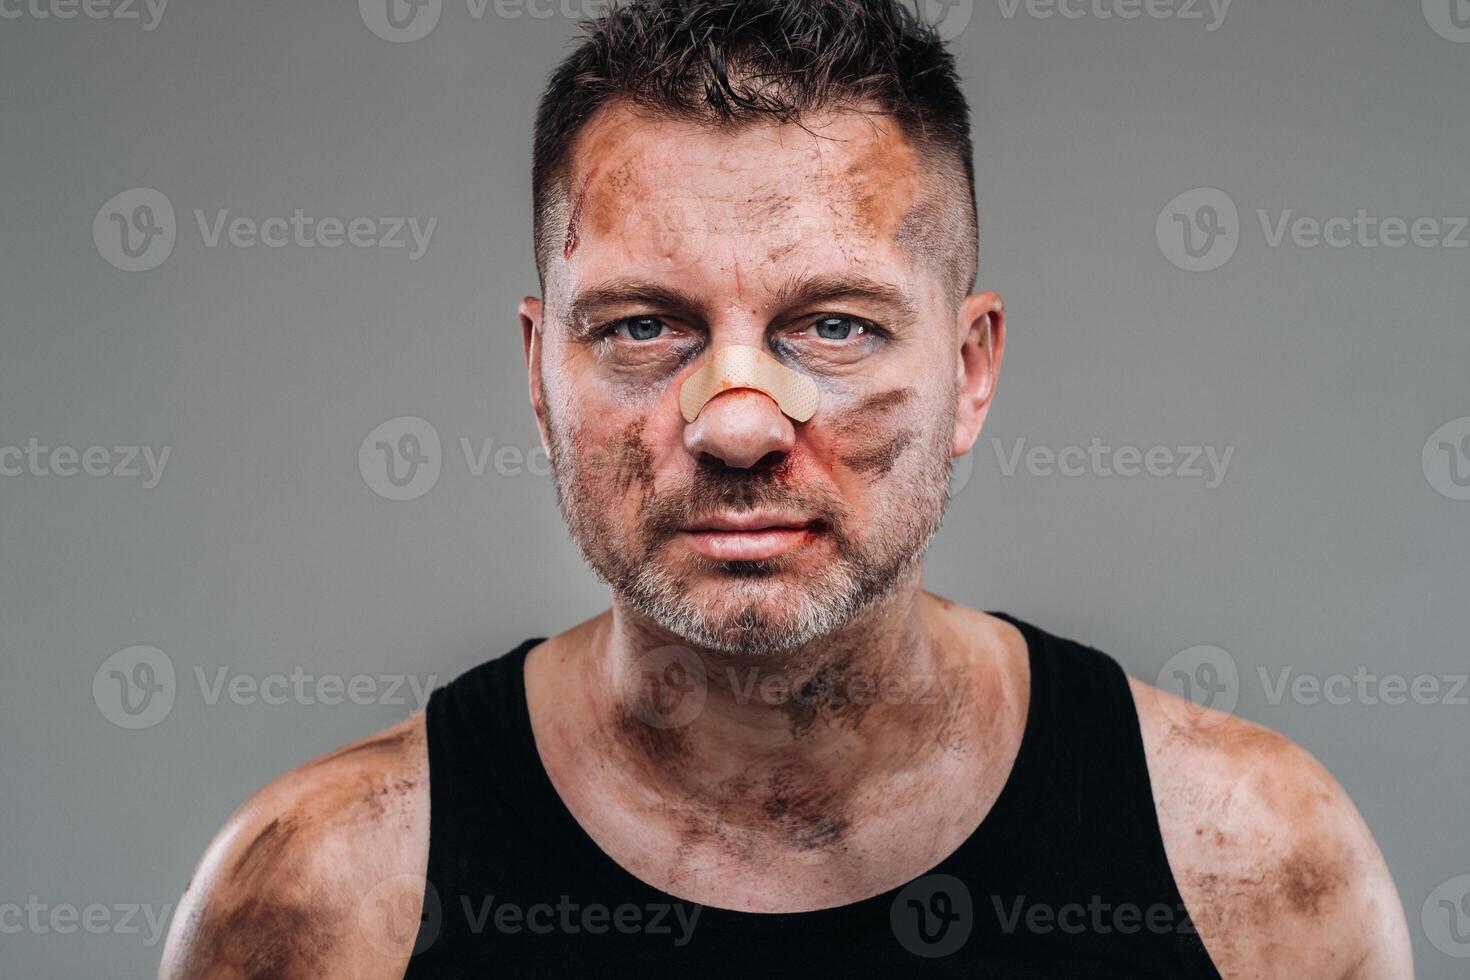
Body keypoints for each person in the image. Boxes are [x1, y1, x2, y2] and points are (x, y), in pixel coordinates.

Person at [159, 1, 1412, 975]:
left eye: (836, 326)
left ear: (970, 371)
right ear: (540, 373)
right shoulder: (321, 897)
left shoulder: (1252, 865)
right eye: (646, 326)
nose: (743, 421)